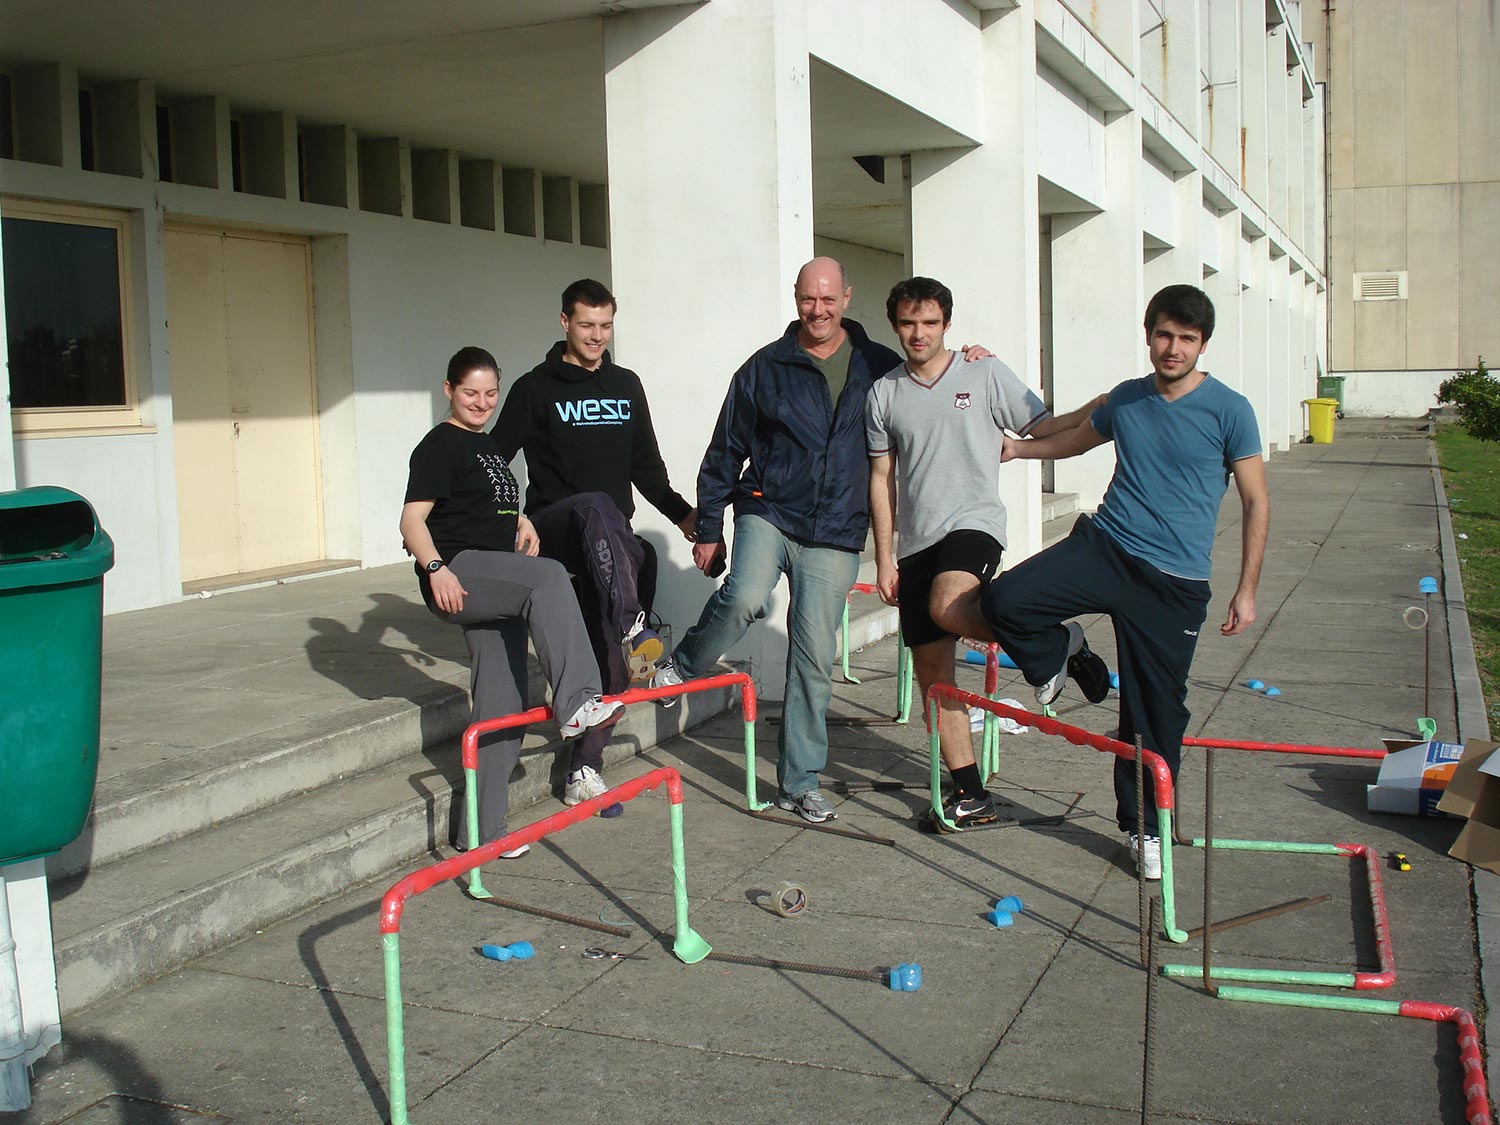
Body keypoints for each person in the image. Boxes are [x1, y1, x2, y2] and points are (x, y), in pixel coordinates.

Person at [652, 257, 987, 823]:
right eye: (809, 299)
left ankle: (799, 782)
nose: (819, 310)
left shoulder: (879, 367)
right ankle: (683, 664)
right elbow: (724, 450)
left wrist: (973, 360)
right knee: (744, 596)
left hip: (835, 529)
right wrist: (708, 527)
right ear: (796, 298)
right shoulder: (764, 367)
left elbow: (932, 373)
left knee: (813, 659)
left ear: (846, 298)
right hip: (769, 510)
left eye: (829, 299)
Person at [980, 284, 1269, 877]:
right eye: (1164, 334)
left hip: (1175, 583)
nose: (1173, 348)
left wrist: (1246, 589)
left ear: (1202, 345)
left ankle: (1143, 828)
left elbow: (1256, 501)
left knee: (1154, 711)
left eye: (1186, 339)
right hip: (1107, 548)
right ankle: (1062, 649)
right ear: (1148, 335)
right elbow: (1074, 439)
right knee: (1006, 600)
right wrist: (1017, 450)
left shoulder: (1231, 410)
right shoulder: (1128, 399)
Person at [866, 276, 1106, 832]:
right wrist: (885, 557)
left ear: (947, 324)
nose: (918, 333)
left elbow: (1041, 424)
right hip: (916, 542)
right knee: (934, 677)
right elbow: (881, 479)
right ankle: (971, 794)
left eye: (929, 323)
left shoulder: (984, 371)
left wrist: (1097, 407)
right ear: (895, 325)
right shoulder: (884, 393)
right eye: (908, 323)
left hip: (973, 525)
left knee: (952, 603)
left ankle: (1051, 638)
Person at [401, 346, 625, 851]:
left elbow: (488, 505)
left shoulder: (486, 448)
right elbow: (412, 520)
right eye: (469, 393)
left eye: (490, 393)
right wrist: (434, 568)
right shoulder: (440, 445)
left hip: (493, 577)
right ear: (449, 391)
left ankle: (482, 833)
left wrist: (520, 520)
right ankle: (578, 700)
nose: (481, 403)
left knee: (501, 706)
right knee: (548, 578)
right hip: (459, 571)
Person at [492, 280, 696, 808]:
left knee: (611, 668)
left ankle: (585, 767)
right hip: (558, 530)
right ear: (564, 322)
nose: (597, 337)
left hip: (612, 550)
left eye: (606, 327)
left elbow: (646, 467)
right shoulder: (534, 388)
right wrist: (510, 518)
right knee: (595, 504)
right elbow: (492, 460)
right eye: (587, 326)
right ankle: (635, 623)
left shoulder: (626, 384)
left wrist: (683, 517)